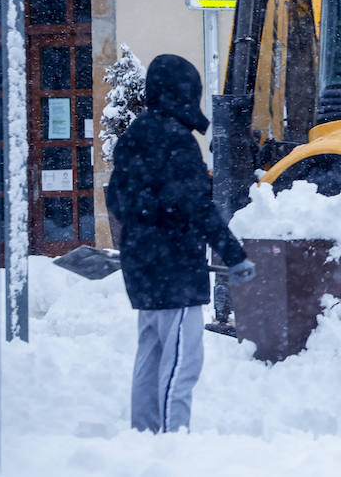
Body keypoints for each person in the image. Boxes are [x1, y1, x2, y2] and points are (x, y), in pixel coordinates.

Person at [105, 53, 256, 433]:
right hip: (175, 271)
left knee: (150, 357)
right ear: (183, 93)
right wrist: (234, 257)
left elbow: (117, 201)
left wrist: (148, 229)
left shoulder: (132, 137)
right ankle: (173, 442)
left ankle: (144, 434)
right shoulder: (177, 141)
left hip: (142, 268)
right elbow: (198, 208)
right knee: (181, 363)